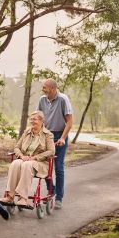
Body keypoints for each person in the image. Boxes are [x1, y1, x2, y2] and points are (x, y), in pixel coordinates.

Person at [0, 111, 55, 207]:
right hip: (25, 159)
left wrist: (34, 158)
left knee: (27, 164)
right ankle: (10, 196)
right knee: (15, 163)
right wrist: (21, 156)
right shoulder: (27, 132)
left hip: (40, 163)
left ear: (41, 121)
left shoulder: (47, 135)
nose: (32, 121)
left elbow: (51, 151)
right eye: (31, 119)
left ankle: (23, 198)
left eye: (35, 119)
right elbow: (17, 147)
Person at [37, 78, 73, 210]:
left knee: (58, 167)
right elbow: (38, 118)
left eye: (45, 87)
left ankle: (59, 198)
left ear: (53, 88)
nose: (43, 89)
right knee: (45, 167)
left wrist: (63, 138)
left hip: (59, 136)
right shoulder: (42, 100)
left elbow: (69, 121)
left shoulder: (63, 99)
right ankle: (51, 189)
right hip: (46, 136)